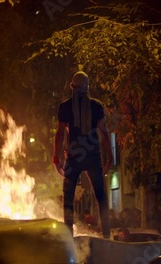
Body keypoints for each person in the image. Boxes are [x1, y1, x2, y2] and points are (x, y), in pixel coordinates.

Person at [52, 70, 114, 238]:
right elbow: (104, 132)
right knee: (101, 196)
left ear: (72, 86)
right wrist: (110, 156)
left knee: (68, 199)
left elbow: (60, 133)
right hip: (93, 157)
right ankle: (106, 235)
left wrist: (56, 158)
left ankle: (68, 236)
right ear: (88, 87)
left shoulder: (65, 106)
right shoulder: (96, 105)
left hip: (73, 158)